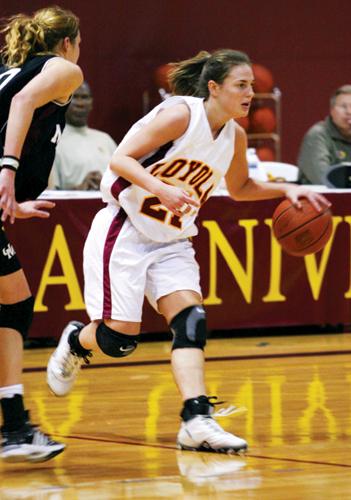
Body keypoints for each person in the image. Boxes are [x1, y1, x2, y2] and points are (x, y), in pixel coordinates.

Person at [47, 49, 329, 454]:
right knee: (117, 341)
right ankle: (77, 341)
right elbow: (121, 159)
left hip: (174, 239)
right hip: (125, 229)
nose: (250, 93)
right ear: (214, 88)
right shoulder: (180, 115)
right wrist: (160, 187)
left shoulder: (235, 135)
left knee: (191, 319)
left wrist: (289, 188)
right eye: (241, 85)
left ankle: (196, 420)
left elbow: (241, 188)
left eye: (252, 86)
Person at [0, 5, 83, 462]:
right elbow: (21, 105)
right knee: (13, 301)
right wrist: (7, 173)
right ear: (68, 41)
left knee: (13, 299)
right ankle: (13, 429)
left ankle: (14, 426)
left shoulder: (11, 71)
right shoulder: (63, 69)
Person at [50, 81, 117, 190]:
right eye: (75, 97)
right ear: (64, 101)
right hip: (73, 206)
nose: (80, 103)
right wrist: (80, 189)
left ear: (91, 103)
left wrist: (105, 185)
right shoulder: (53, 141)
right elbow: (51, 194)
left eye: (85, 97)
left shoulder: (105, 139)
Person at [298, 85, 351, 184]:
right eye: (343, 106)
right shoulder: (318, 135)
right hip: (321, 197)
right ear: (332, 110)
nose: (349, 112)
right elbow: (323, 179)